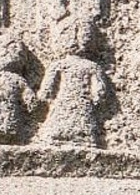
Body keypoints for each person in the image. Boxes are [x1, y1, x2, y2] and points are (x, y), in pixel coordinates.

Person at [36, 17, 113, 147]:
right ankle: (84, 138)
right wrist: (96, 99)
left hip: (63, 101)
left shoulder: (58, 65)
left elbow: (46, 91)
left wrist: (44, 96)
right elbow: (100, 92)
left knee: (58, 124)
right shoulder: (92, 66)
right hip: (83, 103)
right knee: (84, 123)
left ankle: (55, 137)